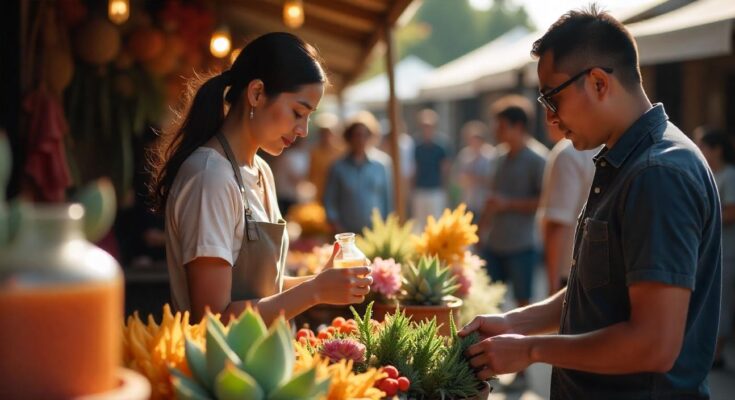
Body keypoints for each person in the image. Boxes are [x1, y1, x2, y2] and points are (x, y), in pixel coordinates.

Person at [461, 7, 722, 399]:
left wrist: (530, 349)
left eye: (552, 98)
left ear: (598, 83)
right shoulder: (623, 159)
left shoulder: (658, 172)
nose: (549, 119)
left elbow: (653, 343)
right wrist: (514, 321)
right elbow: (598, 289)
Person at [149, 32, 372, 325]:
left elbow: (265, 291)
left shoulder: (261, 171)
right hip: (224, 369)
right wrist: (314, 291)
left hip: (266, 362)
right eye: (297, 112)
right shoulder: (210, 177)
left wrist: (322, 281)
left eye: (308, 117)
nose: (304, 129)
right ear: (256, 93)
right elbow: (213, 317)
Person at [479, 95, 547, 308]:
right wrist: (480, 231)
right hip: (495, 243)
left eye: (501, 126)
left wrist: (508, 204)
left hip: (523, 244)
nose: (496, 131)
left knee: (523, 304)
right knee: (490, 302)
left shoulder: (538, 159)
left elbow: (544, 202)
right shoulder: (498, 157)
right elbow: (492, 199)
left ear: (518, 126)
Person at [538, 123, 597, 295]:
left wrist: (552, 287)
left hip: (570, 271)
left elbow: (557, 223)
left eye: (554, 105)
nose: (549, 119)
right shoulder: (614, 144)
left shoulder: (568, 153)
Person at [694, 126, 735, 369]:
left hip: (727, 250)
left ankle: (716, 354)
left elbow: (731, 212)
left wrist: (702, 217)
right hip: (713, 248)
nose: (699, 150)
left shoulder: (729, 175)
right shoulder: (711, 173)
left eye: (704, 146)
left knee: (722, 300)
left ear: (717, 150)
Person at [323, 112, 392, 234]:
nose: (361, 139)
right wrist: (335, 224)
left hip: (375, 232)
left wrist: (387, 225)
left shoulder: (381, 164)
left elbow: (387, 199)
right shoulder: (338, 167)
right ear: (349, 137)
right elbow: (329, 199)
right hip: (346, 233)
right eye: (357, 135)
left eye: (365, 135)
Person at [412, 109, 449, 231]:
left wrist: (444, 188)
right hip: (420, 189)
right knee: (420, 223)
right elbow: (414, 168)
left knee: (436, 222)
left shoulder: (441, 146)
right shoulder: (417, 146)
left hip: (435, 189)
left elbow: (445, 168)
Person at [455, 120, 495, 222]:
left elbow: (492, 179)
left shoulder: (491, 156)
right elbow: (458, 178)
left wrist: (476, 178)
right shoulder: (464, 155)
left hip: (484, 203)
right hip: (468, 201)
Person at [308, 112, 344, 203]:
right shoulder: (315, 152)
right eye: (323, 132)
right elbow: (311, 175)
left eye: (328, 132)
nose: (325, 135)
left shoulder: (341, 152)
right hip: (321, 196)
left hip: (339, 196)